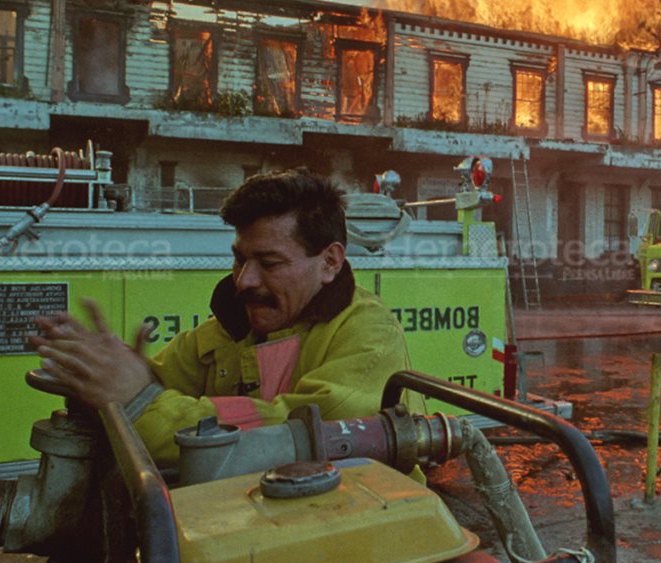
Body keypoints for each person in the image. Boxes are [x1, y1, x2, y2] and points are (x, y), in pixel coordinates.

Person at [31, 168, 413, 465]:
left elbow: (299, 433)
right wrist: (107, 370)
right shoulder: (227, 330)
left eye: (269, 262)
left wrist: (136, 404)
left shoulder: (368, 335)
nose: (244, 281)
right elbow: (158, 382)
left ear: (330, 261)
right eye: (240, 258)